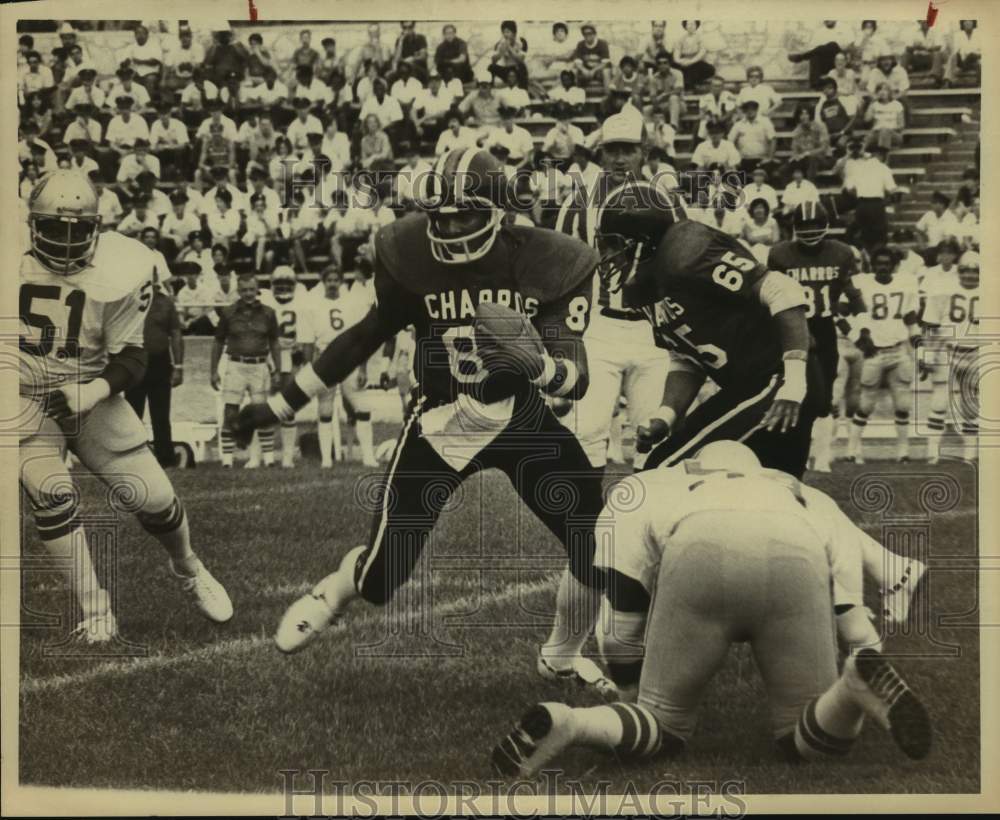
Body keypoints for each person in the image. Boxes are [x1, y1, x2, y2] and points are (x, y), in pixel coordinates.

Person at [233, 149, 611, 695]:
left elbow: (575, 378)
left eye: (466, 215)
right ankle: (339, 587)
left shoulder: (550, 259)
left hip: (520, 418)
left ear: (500, 212)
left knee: (599, 543)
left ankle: (560, 657)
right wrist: (280, 404)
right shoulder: (407, 251)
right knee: (380, 581)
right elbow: (365, 335)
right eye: (442, 216)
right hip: (441, 420)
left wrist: (541, 367)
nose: (452, 227)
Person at [492, 441, 931, 776]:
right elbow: (853, 622)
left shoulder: (647, 485)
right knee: (808, 739)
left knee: (660, 725)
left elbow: (621, 619)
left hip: (697, 548)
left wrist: (630, 696)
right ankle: (853, 689)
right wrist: (864, 655)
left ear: (694, 464)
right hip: (796, 551)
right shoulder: (810, 497)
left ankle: (574, 724)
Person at [19, 170, 232, 642]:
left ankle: (189, 567)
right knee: (51, 492)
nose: (67, 241)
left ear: (98, 226)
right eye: (54, 228)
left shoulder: (124, 265)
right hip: (23, 396)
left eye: (78, 229)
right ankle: (97, 613)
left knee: (153, 497)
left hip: (93, 391)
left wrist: (92, 391)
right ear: (32, 224)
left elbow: (134, 356)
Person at [590, 186, 823, 479]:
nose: (606, 256)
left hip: (778, 377)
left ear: (642, 241)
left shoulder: (686, 252)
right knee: (773, 493)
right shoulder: (642, 289)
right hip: (752, 385)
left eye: (614, 244)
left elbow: (784, 291)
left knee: (663, 473)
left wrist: (793, 384)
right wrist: (666, 414)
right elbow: (687, 355)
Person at [554, 116, 672, 473]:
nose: (620, 160)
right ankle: (585, 522)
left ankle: (646, 522)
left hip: (651, 330)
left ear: (645, 152)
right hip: (599, 328)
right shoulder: (579, 204)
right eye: (612, 151)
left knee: (651, 435)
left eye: (629, 151)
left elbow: (682, 264)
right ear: (600, 153)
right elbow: (560, 272)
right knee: (586, 430)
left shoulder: (668, 201)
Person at [767, 202, 866, 472]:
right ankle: (788, 453)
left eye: (815, 226)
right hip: (790, 328)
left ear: (825, 226)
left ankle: (821, 456)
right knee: (795, 393)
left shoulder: (841, 253)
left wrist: (862, 324)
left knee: (823, 401)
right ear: (795, 228)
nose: (810, 232)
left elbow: (852, 292)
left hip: (823, 328)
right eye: (804, 226)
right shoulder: (779, 254)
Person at [847, 247, 922, 463]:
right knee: (866, 404)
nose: (882, 267)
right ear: (873, 265)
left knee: (903, 405)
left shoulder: (905, 284)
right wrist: (859, 339)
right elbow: (842, 312)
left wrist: (921, 351)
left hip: (898, 350)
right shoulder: (862, 283)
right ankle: (852, 450)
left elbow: (910, 319)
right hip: (874, 352)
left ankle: (903, 451)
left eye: (886, 263)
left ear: (894, 266)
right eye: (879, 263)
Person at [296, 266, 374, 467]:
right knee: (325, 410)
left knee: (362, 407)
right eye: (328, 280)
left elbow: (364, 338)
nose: (332, 284)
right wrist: (307, 367)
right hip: (325, 359)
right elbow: (307, 341)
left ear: (341, 281)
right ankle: (326, 460)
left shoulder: (353, 303)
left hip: (349, 358)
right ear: (323, 282)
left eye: (335, 280)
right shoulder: (312, 305)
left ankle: (368, 457)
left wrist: (363, 367)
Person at [211, 273, 281, 468]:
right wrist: (213, 370)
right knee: (230, 410)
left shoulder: (268, 312)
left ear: (257, 289)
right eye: (244, 290)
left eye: (251, 289)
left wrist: (277, 370)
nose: (248, 294)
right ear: (238, 291)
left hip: (260, 365)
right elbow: (217, 342)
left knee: (262, 411)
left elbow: (274, 342)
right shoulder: (228, 312)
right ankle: (227, 458)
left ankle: (268, 458)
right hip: (235, 364)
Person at [921, 251, 980, 462]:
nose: (970, 276)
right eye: (966, 271)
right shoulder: (942, 291)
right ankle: (932, 453)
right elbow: (930, 326)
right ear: (959, 272)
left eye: (975, 272)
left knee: (971, 405)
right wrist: (926, 355)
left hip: (977, 352)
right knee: (939, 403)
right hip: (948, 349)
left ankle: (969, 455)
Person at [125, 272, 183, 467]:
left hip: (160, 361)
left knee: (161, 413)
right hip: (135, 360)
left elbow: (175, 333)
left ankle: (166, 458)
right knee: (132, 413)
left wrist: (179, 366)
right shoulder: (129, 301)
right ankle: (131, 458)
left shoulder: (165, 303)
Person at [257, 266, 311, 467]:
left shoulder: (302, 302)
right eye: (278, 284)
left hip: (290, 356)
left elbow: (307, 331)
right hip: (267, 356)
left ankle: (287, 456)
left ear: (294, 285)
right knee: (262, 404)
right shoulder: (264, 300)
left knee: (288, 407)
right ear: (271, 285)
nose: (282, 288)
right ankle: (260, 456)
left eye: (287, 284)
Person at [727, 99, 777, 175]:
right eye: (747, 109)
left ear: (756, 110)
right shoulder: (738, 124)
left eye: (752, 109)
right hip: (743, 160)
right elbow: (729, 142)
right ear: (744, 111)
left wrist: (770, 158)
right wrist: (735, 159)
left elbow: (773, 139)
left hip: (762, 159)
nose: (749, 111)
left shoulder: (765, 121)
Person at [787, 102, 831, 182]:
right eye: (801, 114)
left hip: (822, 158)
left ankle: (811, 185)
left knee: (812, 159)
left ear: (810, 114)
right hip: (804, 159)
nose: (803, 117)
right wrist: (796, 156)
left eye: (806, 114)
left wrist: (808, 153)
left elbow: (824, 148)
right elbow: (795, 148)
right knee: (784, 169)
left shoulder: (820, 126)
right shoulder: (797, 130)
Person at [915, 192, 961, 263]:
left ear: (942, 205)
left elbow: (948, 240)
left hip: (946, 251)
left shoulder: (951, 218)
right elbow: (918, 230)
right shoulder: (929, 215)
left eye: (934, 203)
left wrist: (939, 254)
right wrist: (922, 247)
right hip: (930, 251)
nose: (931, 205)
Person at [672, 20, 716, 89]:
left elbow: (702, 53)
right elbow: (676, 54)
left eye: (693, 24)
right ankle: (686, 85)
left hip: (696, 62)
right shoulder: (680, 39)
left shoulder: (701, 38)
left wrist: (691, 62)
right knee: (676, 67)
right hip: (683, 62)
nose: (691, 26)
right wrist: (680, 61)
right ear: (685, 26)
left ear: (696, 26)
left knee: (709, 69)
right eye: (688, 24)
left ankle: (691, 85)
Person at [863, 83, 905, 154]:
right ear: (877, 93)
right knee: (866, 140)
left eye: (885, 90)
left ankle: (882, 158)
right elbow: (867, 119)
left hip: (894, 135)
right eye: (879, 90)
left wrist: (887, 129)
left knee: (884, 132)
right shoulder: (874, 105)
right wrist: (872, 104)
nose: (882, 92)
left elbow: (901, 125)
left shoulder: (897, 105)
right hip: (876, 133)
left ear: (889, 92)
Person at [573, 22, 611, 91]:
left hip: (598, 71)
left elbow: (605, 63)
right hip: (586, 71)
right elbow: (577, 62)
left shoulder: (602, 44)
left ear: (594, 34)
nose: (587, 35)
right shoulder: (580, 44)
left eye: (590, 33)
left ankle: (607, 96)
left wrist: (593, 71)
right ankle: (575, 97)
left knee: (606, 71)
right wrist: (584, 70)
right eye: (585, 34)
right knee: (574, 71)